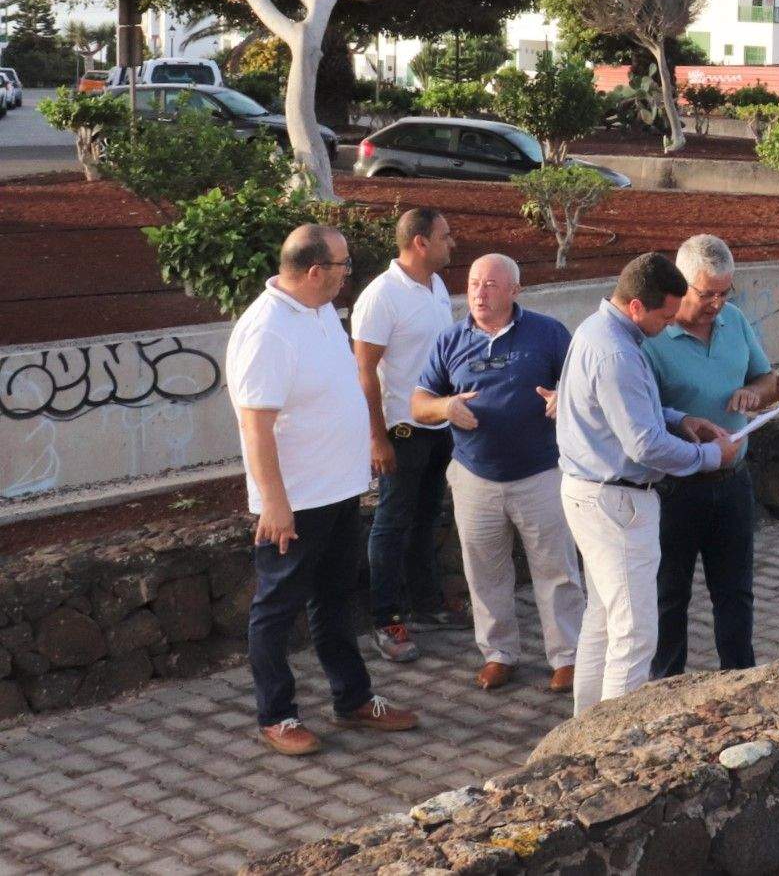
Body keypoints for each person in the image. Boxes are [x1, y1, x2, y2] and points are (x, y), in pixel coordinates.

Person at [226, 223, 421, 756]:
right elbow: (255, 426)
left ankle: (353, 699)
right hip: (296, 503)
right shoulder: (267, 330)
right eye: (341, 267)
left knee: (334, 602)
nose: (347, 275)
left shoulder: (318, 313)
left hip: (338, 491)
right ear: (314, 272)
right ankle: (277, 715)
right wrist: (275, 505)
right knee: (275, 610)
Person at [555, 252, 749, 715]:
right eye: (665, 315)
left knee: (602, 619)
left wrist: (683, 419)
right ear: (637, 306)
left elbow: (632, 409)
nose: (668, 325)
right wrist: (709, 456)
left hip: (591, 493)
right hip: (617, 502)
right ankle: (613, 744)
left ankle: (584, 728)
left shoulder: (599, 331)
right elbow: (643, 444)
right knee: (634, 632)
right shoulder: (617, 351)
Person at [411, 253, 584, 694]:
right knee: (484, 572)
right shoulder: (450, 340)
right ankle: (498, 653)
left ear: (514, 291)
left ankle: (567, 657)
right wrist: (445, 407)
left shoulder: (547, 333)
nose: (479, 293)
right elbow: (418, 404)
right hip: (475, 478)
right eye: (473, 284)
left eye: (490, 284)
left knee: (557, 570)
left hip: (540, 474)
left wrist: (563, 397)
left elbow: (583, 384)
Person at [643, 235, 779, 678]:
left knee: (735, 594)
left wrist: (752, 393)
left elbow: (766, 378)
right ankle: (666, 690)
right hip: (673, 488)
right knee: (669, 597)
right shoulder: (652, 337)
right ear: (681, 285)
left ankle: (741, 681)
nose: (717, 303)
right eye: (707, 294)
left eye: (725, 292)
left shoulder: (734, 321)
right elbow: (641, 417)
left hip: (732, 481)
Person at [350, 207, 465, 664]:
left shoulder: (435, 285)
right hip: (400, 429)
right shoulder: (380, 297)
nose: (451, 243)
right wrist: (377, 439)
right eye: (445, 235)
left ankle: (429, 605)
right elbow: (363, 373)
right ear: (420, 242)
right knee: (392, 522)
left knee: (426, 517)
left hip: (438, 425)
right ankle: (386, 619)